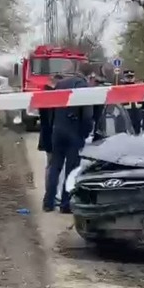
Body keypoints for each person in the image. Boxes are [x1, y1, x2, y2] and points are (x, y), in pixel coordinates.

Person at [43, 63, 95, 213]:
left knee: (55, 168)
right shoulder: (84, 87)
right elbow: (87, 115)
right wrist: (85, 133)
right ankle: (65, 204)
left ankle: (48, 202)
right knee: (71, 170)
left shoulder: (60, 84)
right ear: (89, 75)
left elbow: (51, 109)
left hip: (58, 130)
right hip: (74, 132)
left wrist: (54, 126)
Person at [38, 74, 63, 175]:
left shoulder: (43, 94)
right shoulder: (54, 95)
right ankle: (51, 187)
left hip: (47, 134)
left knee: (50, 163)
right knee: (53, 164)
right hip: (52, 133)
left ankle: (49, 187)